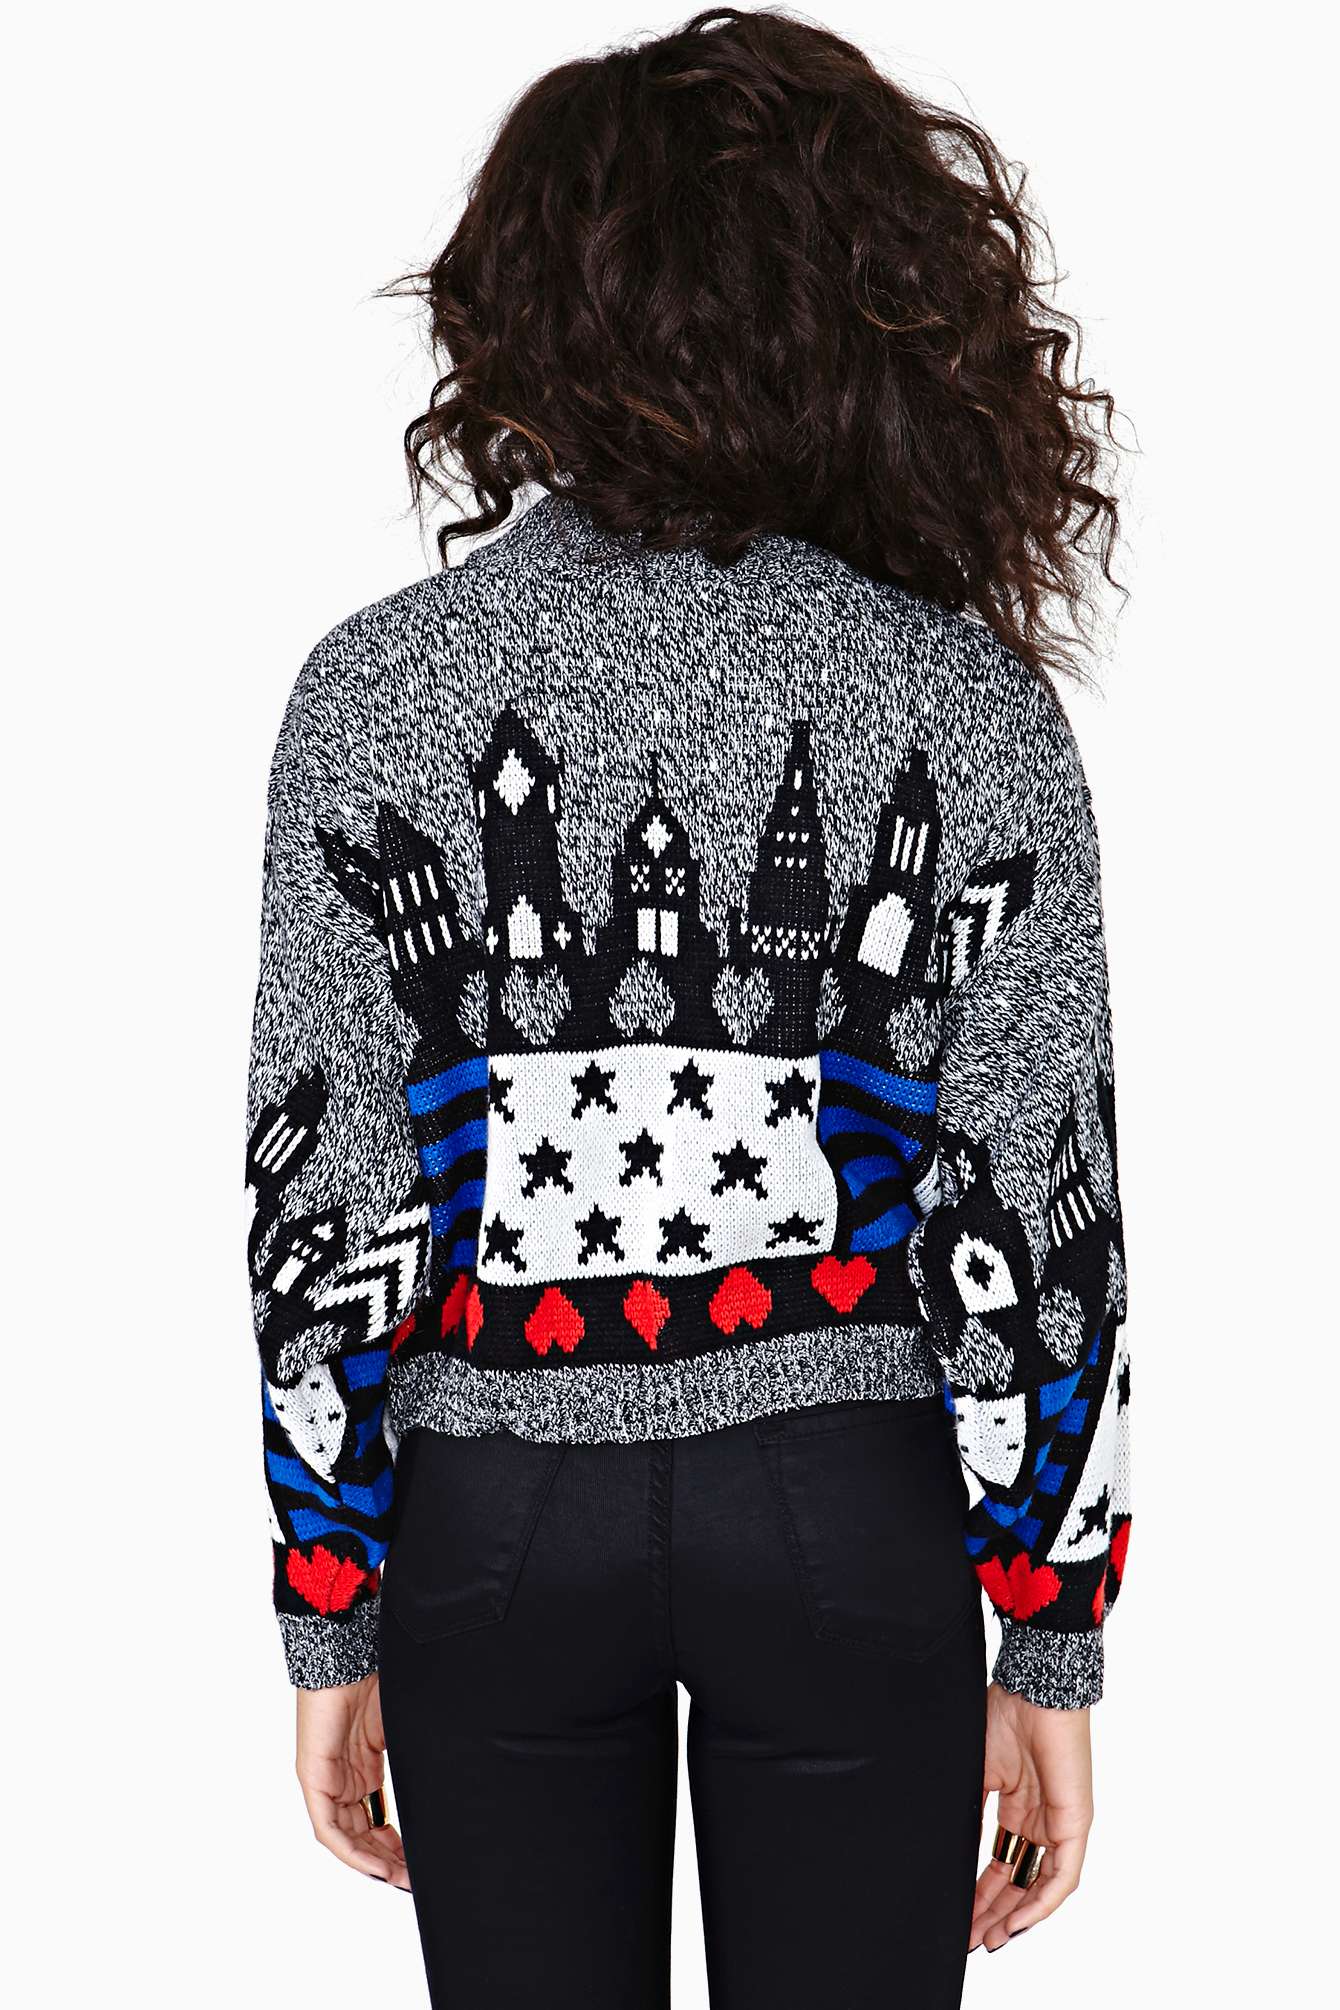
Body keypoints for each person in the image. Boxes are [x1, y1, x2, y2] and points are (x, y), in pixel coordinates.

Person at [244, 11, 1130, 2005]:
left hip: (492, 1508)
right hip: (846, 1495)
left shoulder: (372, 691)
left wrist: (328, 1609)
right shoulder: (963, 699)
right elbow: (1031, 1205)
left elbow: (324, 1197)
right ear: (869, 304)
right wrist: (1051, 1635)